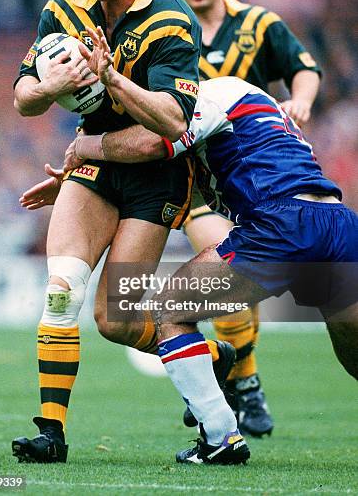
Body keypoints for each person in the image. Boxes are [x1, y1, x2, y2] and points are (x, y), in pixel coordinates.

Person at [22, 32, 357, 466]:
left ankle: (221, 438)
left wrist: (82, 148)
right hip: (337, 222)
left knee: (168, 312)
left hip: (281, 225)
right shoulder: (238, 115)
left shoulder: (208, 95)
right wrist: (78, 181)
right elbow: (170, 172)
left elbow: (152, 142)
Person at [11, 0, 203, 464]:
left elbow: (169, 126)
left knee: (114, 319)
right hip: (94, 166)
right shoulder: (66, 5)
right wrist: (50, 85)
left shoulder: (172, 21)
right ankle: (51, 432)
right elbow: (22, 98)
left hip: (156, 172)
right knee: (61, 288)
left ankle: (208, 354)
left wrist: (112, 79)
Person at [169, 0, 322, 436]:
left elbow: (304, 69)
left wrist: (300, 101)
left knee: (234, 284)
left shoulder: (258, 25)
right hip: (200, 181)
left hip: (258, 179)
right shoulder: (168, 28)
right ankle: (245, 384)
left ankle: (231, 372)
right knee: (220, 267)